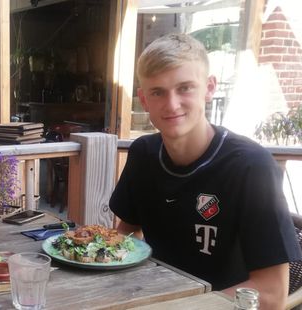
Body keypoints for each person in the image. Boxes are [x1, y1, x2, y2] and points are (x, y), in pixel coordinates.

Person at [109, 33, 301, 310]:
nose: (172, 104)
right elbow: (127, 235)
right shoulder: (143, 153)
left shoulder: (252, 166)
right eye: (157, 92)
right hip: (151, 295)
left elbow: (271, 294)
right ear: (144, 99)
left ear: (209, 88)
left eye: (185, 88)